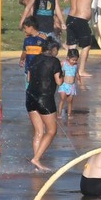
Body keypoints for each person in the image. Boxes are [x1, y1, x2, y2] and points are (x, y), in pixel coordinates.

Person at [25, 38, 63, 171]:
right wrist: (62, 74)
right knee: (52, 130)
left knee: (39, 131)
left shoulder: (34, 59)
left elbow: (28, 78)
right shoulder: (54, 61)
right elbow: (58, 82)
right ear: (53, 49)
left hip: (30, 97)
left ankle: (36, 163)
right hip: (45, 99)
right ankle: (36, 158)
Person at [57, 47, 81, 121]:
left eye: (76, 60)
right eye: (73, 60)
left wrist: (79, 80)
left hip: (72, 86)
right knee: (62, 99)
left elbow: (76, 73)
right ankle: (59, 113)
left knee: (70, 101)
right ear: (68, 58)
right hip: (64, 85)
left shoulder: (75, 66)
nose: (74, 61)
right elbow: (57, 70)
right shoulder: (63, 63)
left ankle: (69, 114)